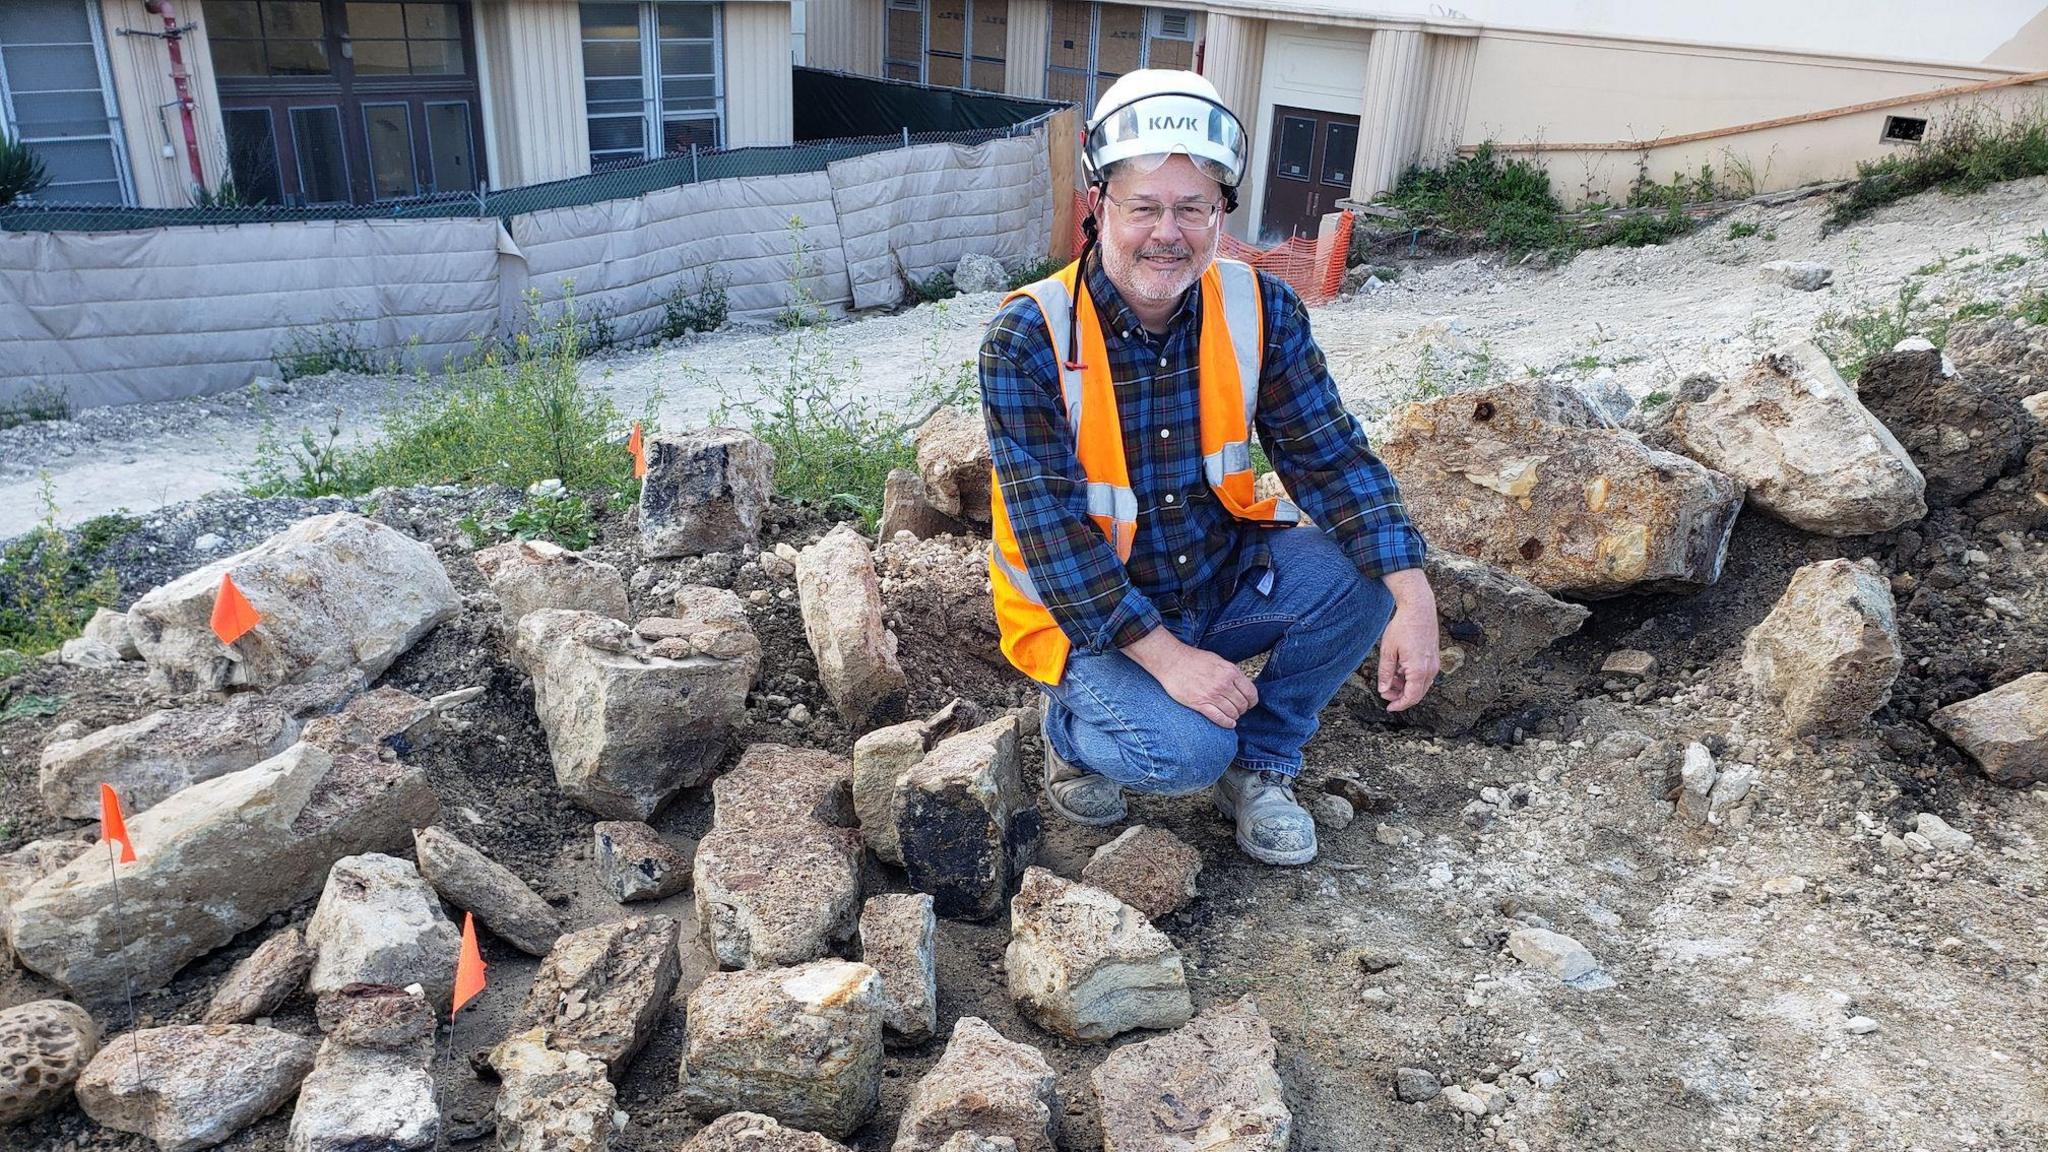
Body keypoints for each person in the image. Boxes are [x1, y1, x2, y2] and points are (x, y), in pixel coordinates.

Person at [979, 69, 1441, 866]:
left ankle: (1261, 766)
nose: (1169, 231)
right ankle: (1070, 733)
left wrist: (1414, 591)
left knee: (1367, 572)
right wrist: (1169, 661)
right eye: (1145, 207)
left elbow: (1328, 454)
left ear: (1221, 212)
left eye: (1192, 208)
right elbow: (1053, 537)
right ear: (1100, 209)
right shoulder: (1031, 337)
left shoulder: (1258, 308)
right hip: (1087, 621)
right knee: (1184, 754)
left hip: (1214, 582)